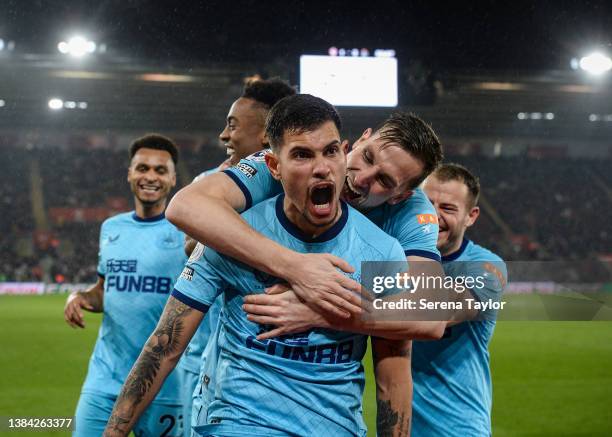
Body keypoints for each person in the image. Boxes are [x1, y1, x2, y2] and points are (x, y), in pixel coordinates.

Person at [102, 94, 415, 437]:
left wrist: (326, 312)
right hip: (239, 424)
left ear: (343, 152)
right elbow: (165, 345)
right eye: (301, 155)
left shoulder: (384, 250)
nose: (322, 167)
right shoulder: (232, 234)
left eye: (330, 151)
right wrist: (113, 433)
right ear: (273, 166)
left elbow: (394, 379)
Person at [166, 110, 446, 321]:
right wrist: (295, 267)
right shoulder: (288, 163)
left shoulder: (413, 211)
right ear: (359, 141)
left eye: (384, 181)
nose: (362, 179)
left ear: (400, 196)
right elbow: (185, 207)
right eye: (368, 157)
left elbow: (429, 313)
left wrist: (322, 315)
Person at [178, 77, 296, 437]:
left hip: (277, 363)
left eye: (232, 125)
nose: (223, 136)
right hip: (207, 354)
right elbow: (190, 242)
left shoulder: (305, 196)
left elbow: (422, 317)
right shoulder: (212, 182)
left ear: (266, 136)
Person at [64, 134, 187, 437]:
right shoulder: (112, 228)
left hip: (165, 383)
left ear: (173, 179)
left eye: (160, 170)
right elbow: (106, 291)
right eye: (142, 168)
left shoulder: (189, 231)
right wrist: (80, 297)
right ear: (130, 174)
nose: (150, 176)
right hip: (106, 378)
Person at [412, 163, 507, 436]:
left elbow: (439, 313)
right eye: (426, 203)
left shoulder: (488, 267)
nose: (433, 215)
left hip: (458, 428)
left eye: (448, 208)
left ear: (471, 216)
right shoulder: (399, 255)